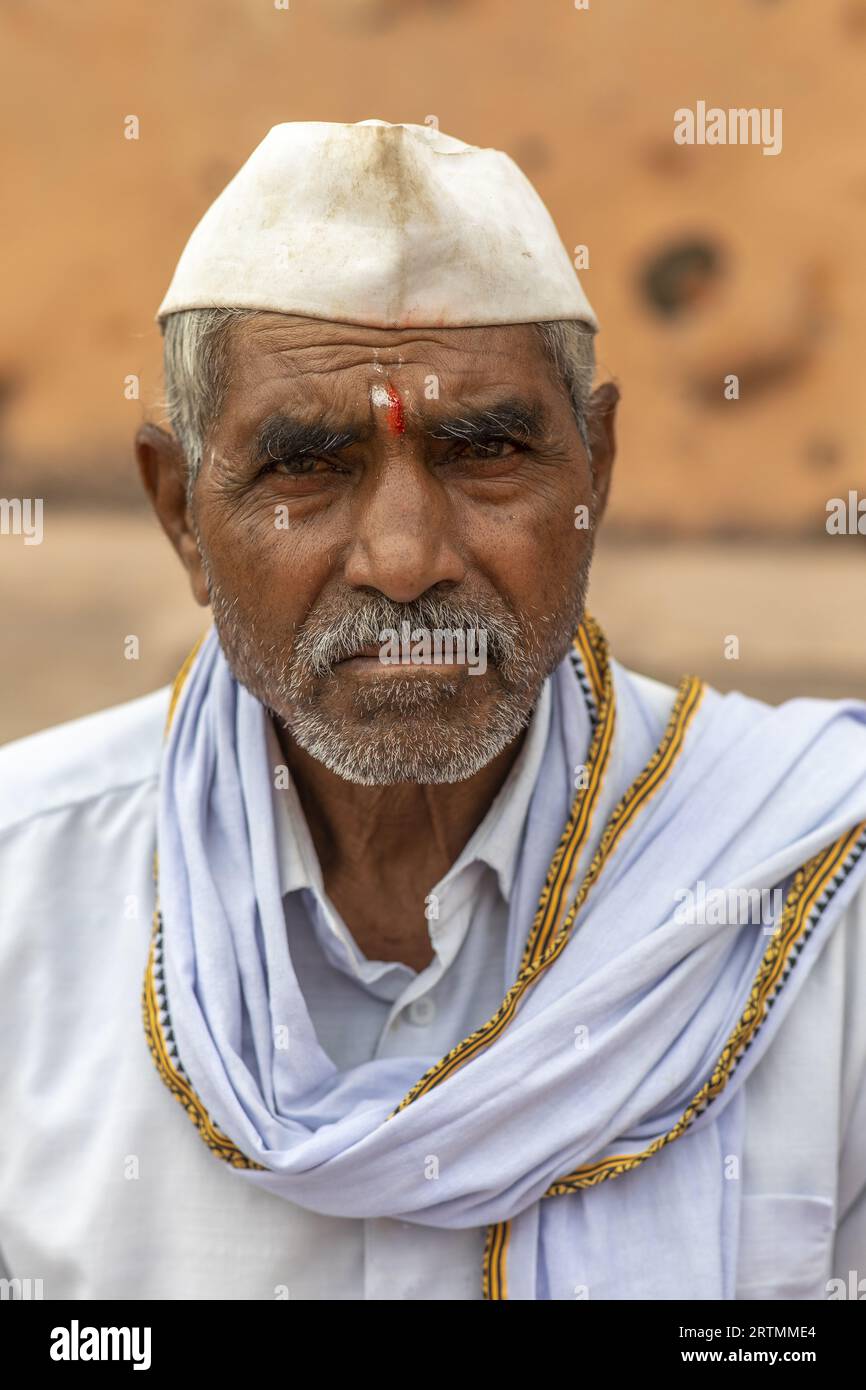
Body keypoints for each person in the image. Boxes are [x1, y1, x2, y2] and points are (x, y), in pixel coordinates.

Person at [1, 119, 865, 1302]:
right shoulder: (23, 899)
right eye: (307, 466)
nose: (404, 560)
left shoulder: (822, 905)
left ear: (593, 478)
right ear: (178, 515)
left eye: (485, 449)